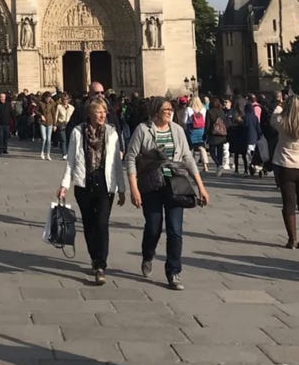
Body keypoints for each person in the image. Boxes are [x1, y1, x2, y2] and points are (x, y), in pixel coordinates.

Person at [125, 97, 211, 291]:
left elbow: (188, 158)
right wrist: (133, 187)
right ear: (156, 111)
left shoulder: (177, 130)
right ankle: (148, 254)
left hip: (175, 181)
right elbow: (131, 157)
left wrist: (200, 186)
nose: (169, 112)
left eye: (170, 109)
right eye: (165, 109)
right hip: (150, 184)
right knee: (154, 226)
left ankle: (173, 271)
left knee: (175, 229)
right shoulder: (142, 130)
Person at [57, 97, 125, 285]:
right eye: (99, 111)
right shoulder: (78, 133)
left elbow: (117, 163)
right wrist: (64, 185)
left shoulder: (112, 133)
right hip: (84, 183)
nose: (103, 115)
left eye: (104, 111)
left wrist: (122, 188)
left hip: (105, 183)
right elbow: (71, 160)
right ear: (90, 114)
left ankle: (101, 264)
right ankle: (94, 258)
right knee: (89, 223)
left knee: (102, 223)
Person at [271, 95, 299, 250]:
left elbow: (273, 117)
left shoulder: (282, 122)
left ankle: (292, 240)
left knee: (288, 204)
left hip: (286, 166)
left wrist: (279, 105)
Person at [204, 97, 229, 176]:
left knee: (212, 151)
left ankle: (218, 165)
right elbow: (225, 122)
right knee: (220, 151)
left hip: (213, 134)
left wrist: (205, 134)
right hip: (221, 135)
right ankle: (219, 167)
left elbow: (207, 125)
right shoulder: (221, 111)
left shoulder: (209, 112)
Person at [55, 93, 74, 159]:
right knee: (63, 139)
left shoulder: (72, 107)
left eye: (66, 99)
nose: (65, 101)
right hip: (61, 124)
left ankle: (68, 152)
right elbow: (56, 116)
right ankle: (64, 154)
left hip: (69, 124)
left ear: (68, 100)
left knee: (69, 139)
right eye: (64, 100)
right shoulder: (59, 106)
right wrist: (55, 125)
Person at [38, 91, 56, 160]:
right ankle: (42, 152)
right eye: (47, 98)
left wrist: (55, 124)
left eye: (49, 98)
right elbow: (36, 111)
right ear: (44, 97)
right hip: (42, 122)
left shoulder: (51, 104)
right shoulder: (40, 103)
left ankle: (48, 154)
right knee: (44, 138)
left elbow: (54, 114)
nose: (48, 99)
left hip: (50, 122)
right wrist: (41, 115)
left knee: (49, 139)